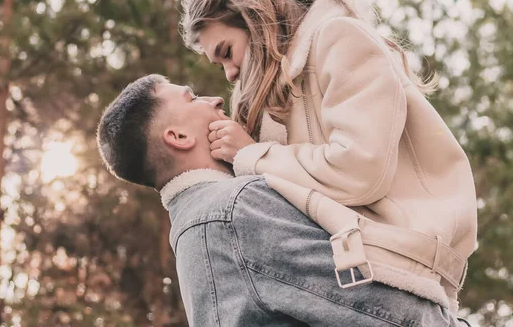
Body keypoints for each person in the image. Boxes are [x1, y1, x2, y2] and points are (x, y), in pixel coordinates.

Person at [181, 0, 477, 313]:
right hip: (339, 271)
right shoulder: (269, 97)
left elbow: (360, 170)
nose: (229, 73)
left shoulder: (339, 38)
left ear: (254, 19)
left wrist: (252, 154)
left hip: (396, 267)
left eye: (227, 51)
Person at [96, 74, 466, 326]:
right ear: (178, 136)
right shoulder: (236, 209)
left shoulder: (193, 230)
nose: (215, 98)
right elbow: (393, 314)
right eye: (192, 98)